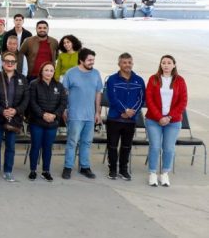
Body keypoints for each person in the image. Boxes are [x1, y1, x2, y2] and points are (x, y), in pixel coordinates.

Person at [145, 55, 188, 187]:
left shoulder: (180, 81)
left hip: (173, 122)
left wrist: (169, 117)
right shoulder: (153, 79)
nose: (166, 65)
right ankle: (152, 173)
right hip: (153, 120)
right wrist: (159, 117)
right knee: (155, 146)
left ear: (174, 65)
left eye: (169, 63)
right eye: (163, 63)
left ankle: (164, 174)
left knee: (168, 148)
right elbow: (149, 99)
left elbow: (183, 101)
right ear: (160, 65)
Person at [61, 48, 103, 180]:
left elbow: (98, 93)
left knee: (86, 142)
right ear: (81, 60)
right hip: (75, 115)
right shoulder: (71, 73)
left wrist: (97, 112)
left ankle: (85, 167)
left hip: (90, 115)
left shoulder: (96, 74)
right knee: (72, 142)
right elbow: (64, 93)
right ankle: (68, 167)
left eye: (93, 60)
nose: (92, 63)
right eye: (89, 60)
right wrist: (64, 109)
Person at [104, 52, 145, 181]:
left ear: (132, 63)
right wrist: (124, 110)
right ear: (119, 64)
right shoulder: (111, 79)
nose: (127, 65)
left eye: (129, 62)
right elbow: (112, 98)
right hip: (114, 118)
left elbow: (142, 98)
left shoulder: (139, 80)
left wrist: (132, 111)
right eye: (124, 62)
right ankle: (112, 170)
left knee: (126, 146)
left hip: (131, 120)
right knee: (112, 145)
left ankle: (123, 169)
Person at [0, 51, 28, 182]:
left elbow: (26, 99)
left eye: (12, 62)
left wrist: (16, 111)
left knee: (10, 145)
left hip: (14, 118)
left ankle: (8, 171)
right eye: (7, 61)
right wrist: (1, 110)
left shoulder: (22, 79)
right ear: (3, 63)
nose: (10, 64)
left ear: (16, 64)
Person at [27, 62, 67, 181]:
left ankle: (46, 171)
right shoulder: (34, 84)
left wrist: (54, 115)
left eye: (51, 70)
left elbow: (63, 103)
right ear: (41, 71)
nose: (49, 72)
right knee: (36, 146)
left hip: (52, 122)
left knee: (47, 147)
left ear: (54, 72)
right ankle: (33, 170)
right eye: (46, 70)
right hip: (37, 122)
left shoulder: (59, 86)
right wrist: (43, 114)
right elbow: (32, 102)